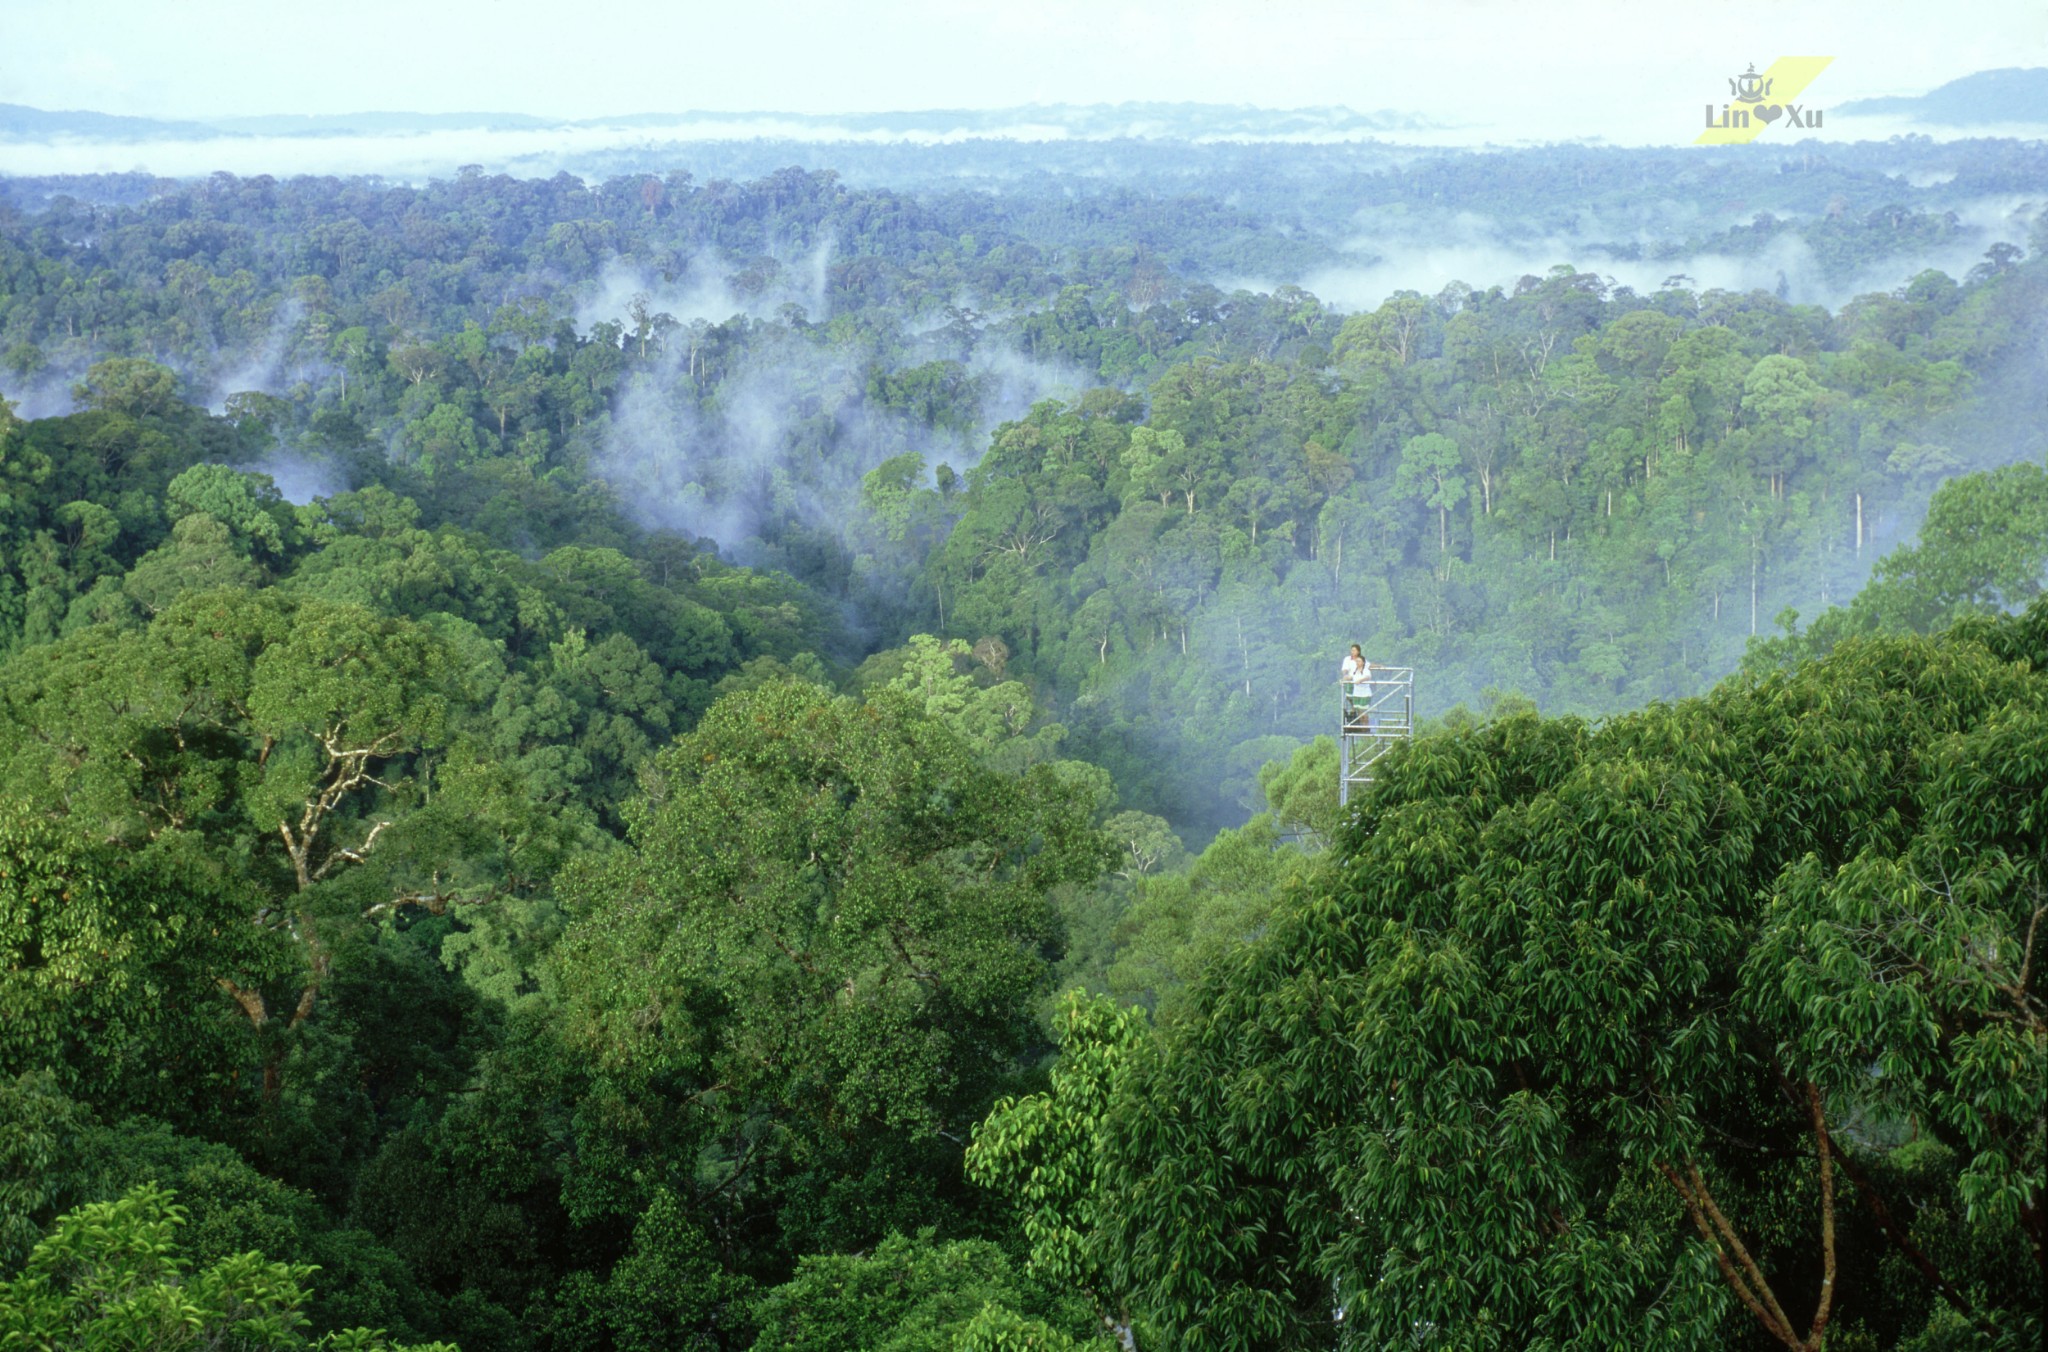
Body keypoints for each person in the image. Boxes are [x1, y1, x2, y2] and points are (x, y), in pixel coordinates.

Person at [1341, 644, 1369, 729]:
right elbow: (1345, 670)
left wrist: (1379, 666)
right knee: (1352, 700)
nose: (1352, 652)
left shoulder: (1361, 660)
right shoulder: (1347, 659)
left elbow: (1368, 667)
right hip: (1351, 683)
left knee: (1361, 709)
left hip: (1359, 686)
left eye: (1354, 650)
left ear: (1358, 651)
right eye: (1351, 650)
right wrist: (1345, 676)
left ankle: (1365, 726)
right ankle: (1355, 714)